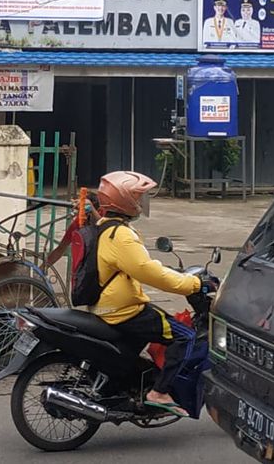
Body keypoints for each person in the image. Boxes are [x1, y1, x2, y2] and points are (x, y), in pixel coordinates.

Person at [90, 171, 214, 418]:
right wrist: (193, 285)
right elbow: (149, 273)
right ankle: (159, 392)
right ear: (125, 200)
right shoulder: (122, 235)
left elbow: (139, 265)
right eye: (139, 197)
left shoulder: (104, 227)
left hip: (105, 305)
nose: (144, 203)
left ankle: (131, 385)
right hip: (124, 311)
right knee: (186, 336)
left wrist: (162, 269)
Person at [43, 191, 100, 269]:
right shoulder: (78, 222)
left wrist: (91, 208)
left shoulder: (102, 217)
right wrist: (41, 269)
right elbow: (60, 249)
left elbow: (102, 223)